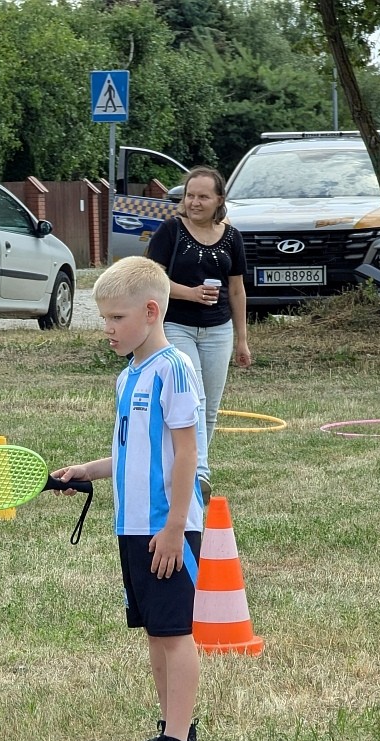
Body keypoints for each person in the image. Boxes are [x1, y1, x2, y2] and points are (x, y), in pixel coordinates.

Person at [54, 256, 205, 741]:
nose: (107, 329)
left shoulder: (175, 369)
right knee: (154, 633)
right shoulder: (127, 379)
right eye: (104, 319)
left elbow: (186, 454)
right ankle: (172, 727)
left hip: (168, 526)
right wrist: (86, 471)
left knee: (175, 632)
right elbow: (130, 452)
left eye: (116, 319)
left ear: (150, 311)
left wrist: (173, 527)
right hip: (133, 527)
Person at [146, 166, 251, 503]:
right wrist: (189, 293)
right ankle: (200, 474)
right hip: (176, 326)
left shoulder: (232, 237)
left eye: (203, 196)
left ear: (219, 199)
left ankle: (187, 470)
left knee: (210, 407)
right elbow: (154, 281)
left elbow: (237, 290)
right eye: (190, 195)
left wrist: (242, 339)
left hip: (218, 330)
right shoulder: (171, 230)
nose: (194, 202)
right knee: (195, 397)